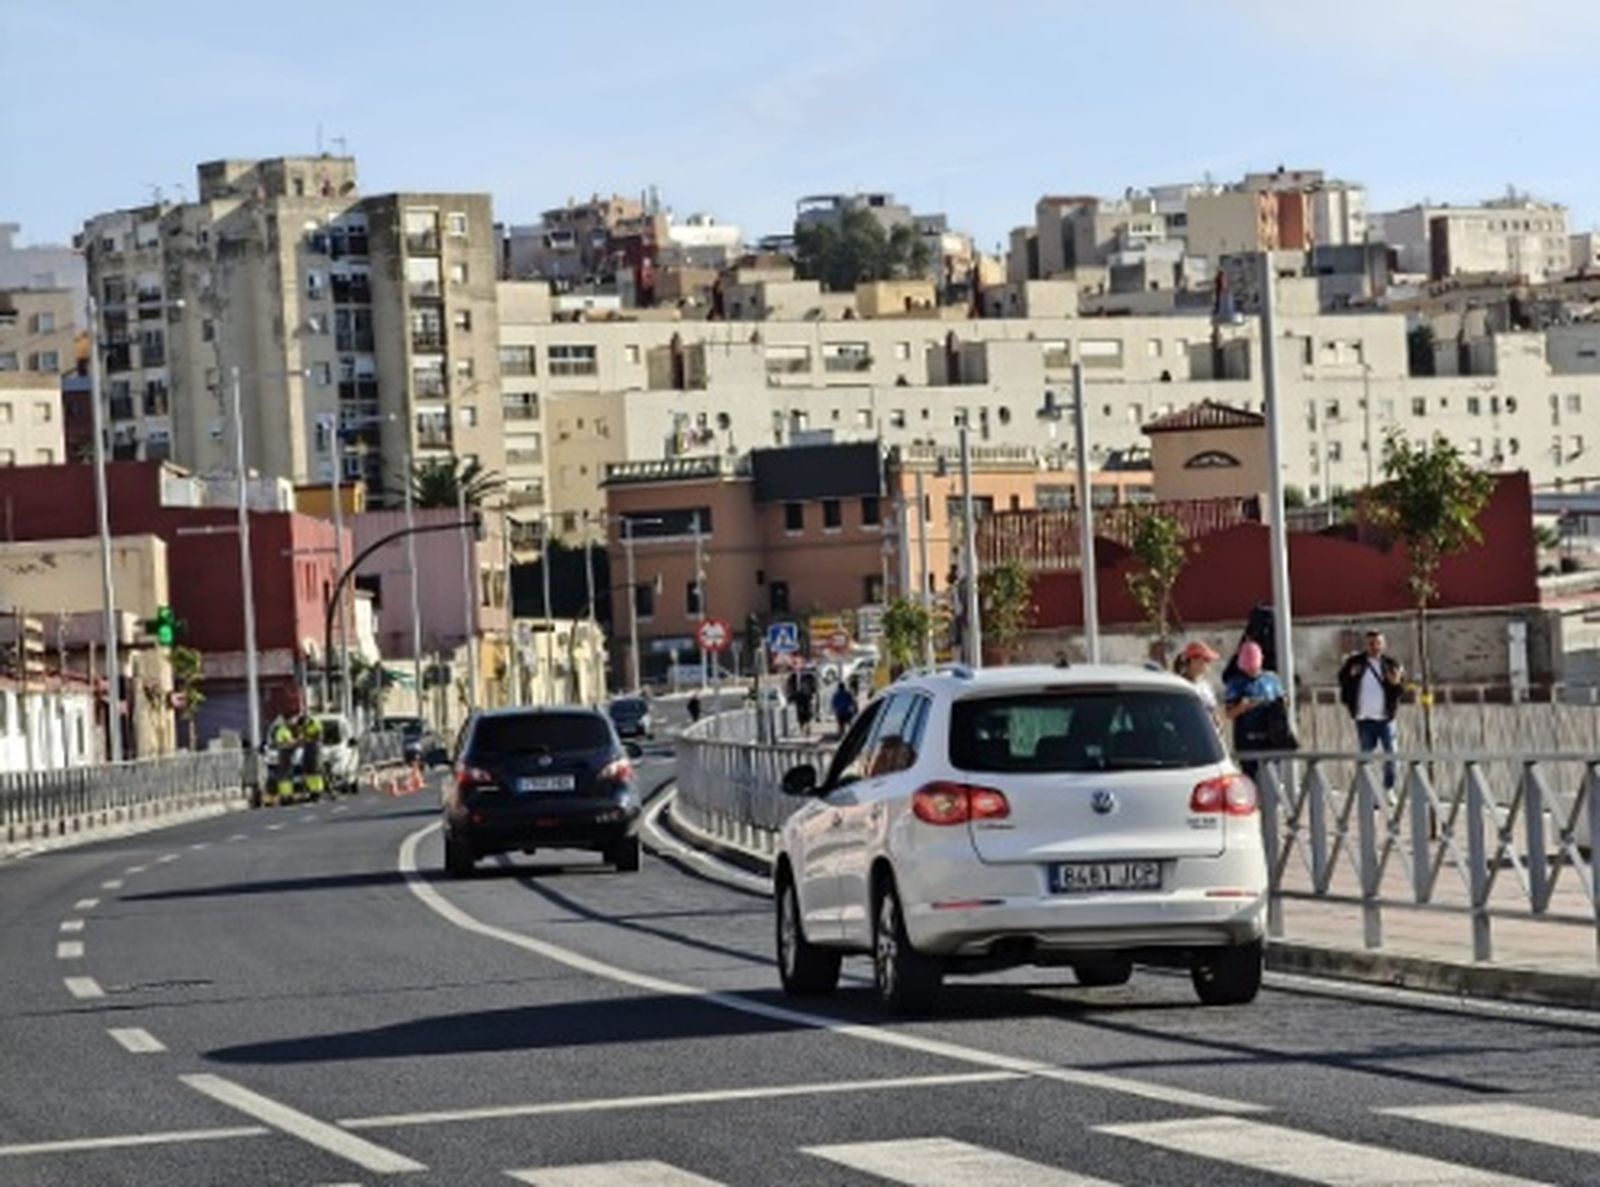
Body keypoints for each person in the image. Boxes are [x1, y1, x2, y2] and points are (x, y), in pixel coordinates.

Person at [1338, 630, 1405, 792]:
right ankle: (1370, 791)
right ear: (1366, 645)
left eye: (1378, 643)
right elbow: (1343, 681)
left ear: (1384, 645)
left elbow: (1399, 691)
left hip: (1385, 718)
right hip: (1364, 718)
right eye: (1371, 643)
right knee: (1366, 758)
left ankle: (1388, 789)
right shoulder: (1355, 663)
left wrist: (1396, 683)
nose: (1375, 647)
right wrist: (1352, 676)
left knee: (1392, 756)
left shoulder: (1391, 663)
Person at [1223, 641, 1287, 780]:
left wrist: (1271, 705)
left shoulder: (1271, 679)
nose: (1252, 672)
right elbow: (1228, 713)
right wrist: (1242, 707)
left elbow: (1284, 703)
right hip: (1248, 740)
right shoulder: (1235, 683)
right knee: (1251, 781)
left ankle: (1272, 801)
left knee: (1274, 780)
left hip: (1271, 738)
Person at [1174, 640, 1221, 724]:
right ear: (1193, 660)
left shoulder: (1206, 686)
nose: (1208, 663)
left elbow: (1213, 712)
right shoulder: (1180, 685)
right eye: (1206, 659)